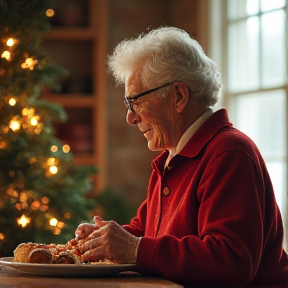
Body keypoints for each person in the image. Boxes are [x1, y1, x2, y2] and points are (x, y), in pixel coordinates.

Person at [75, 26, 288, 287]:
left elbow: (231, 262)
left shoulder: (230, 153)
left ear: (178, 96)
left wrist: (132, 248)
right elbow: (146, 233)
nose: (130, 118)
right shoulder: (172, 156)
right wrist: (104, 240)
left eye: (136, 102)